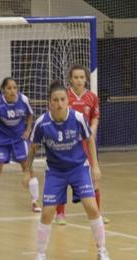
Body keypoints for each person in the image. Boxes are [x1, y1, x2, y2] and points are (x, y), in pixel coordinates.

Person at [28, 80, 111, 260]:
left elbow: (89, 140)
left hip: (78, 168)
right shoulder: (42, 123)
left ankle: (102, 249)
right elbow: (33, 148)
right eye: (55, 100)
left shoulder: (78, 118)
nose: (59, 103)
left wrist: (95, 166)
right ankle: (40, 255)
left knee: (91, 206)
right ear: (49, 103)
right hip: (55, 171)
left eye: (62, 99)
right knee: (48, 212)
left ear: (68, 101)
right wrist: (27, 171)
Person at [52, 65, 108, 225]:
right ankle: (60, 214)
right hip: (67, 143)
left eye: (82, 77)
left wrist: (93, 129)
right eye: (76, 77)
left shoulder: (92, 97)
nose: (79, 80)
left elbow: (95, 116)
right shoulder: (64, 96)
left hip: (86, 144)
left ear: (86, 79)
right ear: (70, 79)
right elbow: (55, 114)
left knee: (94, 177)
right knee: (62, 178)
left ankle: (97, 214)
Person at [0, 77, 40, 212]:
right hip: (2, 139)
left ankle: (35, 201)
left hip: (19, 138)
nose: (12, 90)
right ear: (3, 89)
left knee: (27, 167)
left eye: (15, 87)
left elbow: (29, 115)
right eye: (9, 88)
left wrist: (28, 130)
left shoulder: (24, 100)